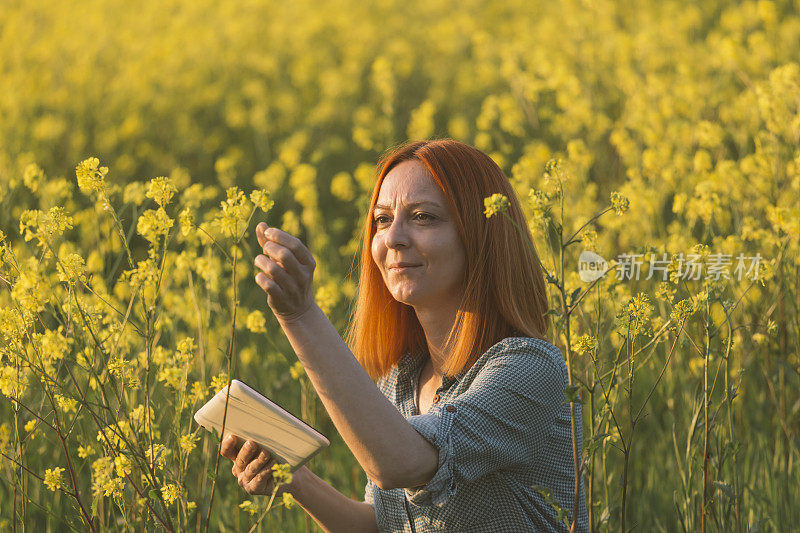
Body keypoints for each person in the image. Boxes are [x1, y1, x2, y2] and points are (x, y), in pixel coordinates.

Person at [220, 139, 589, 532]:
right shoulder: (400, 381)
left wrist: (301, 315)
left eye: (424, 217)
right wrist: (292, 477)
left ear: (480, 235)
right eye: (382, 219)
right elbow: (380, 525)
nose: (393, 237)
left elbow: (404, 464)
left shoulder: (531, 370)